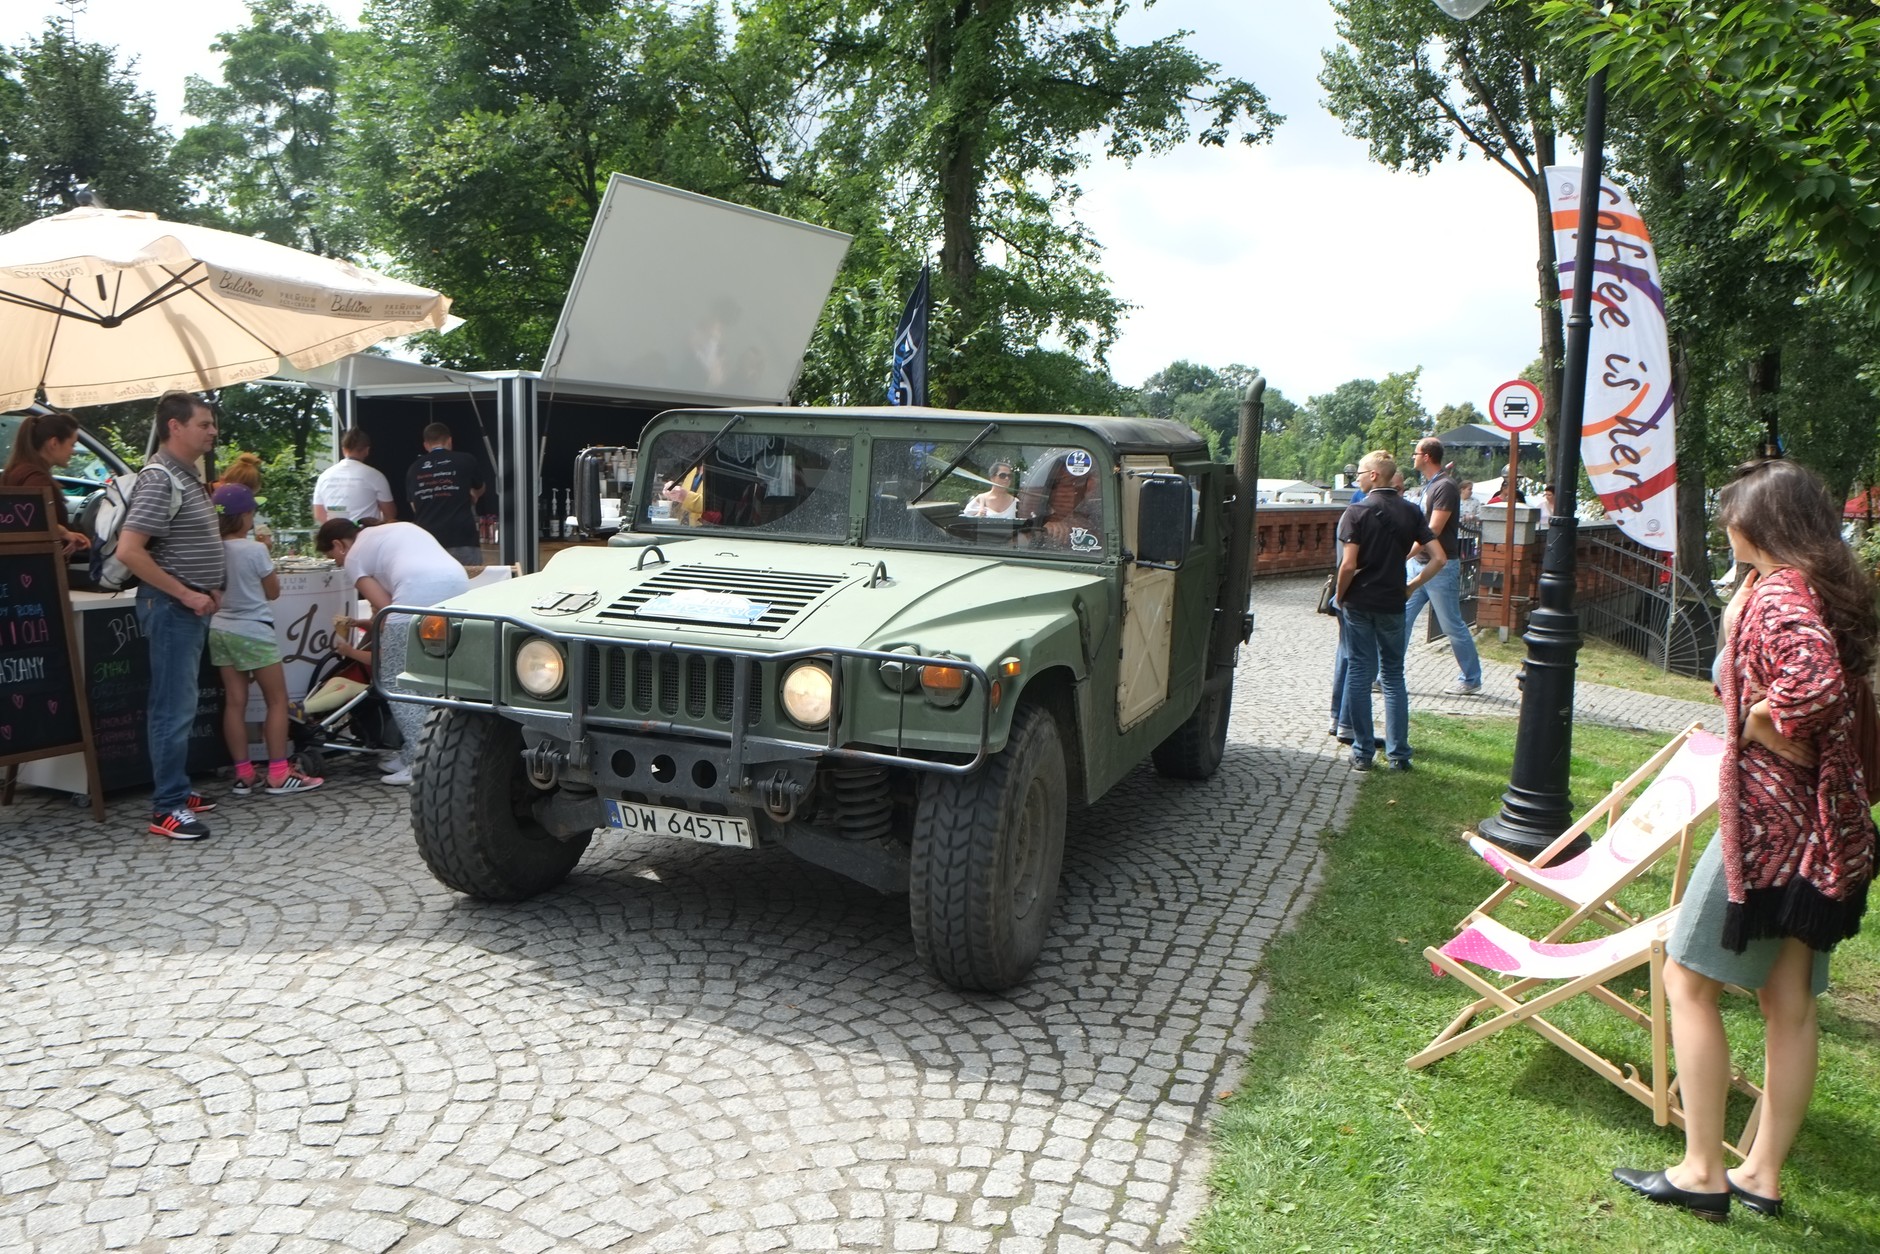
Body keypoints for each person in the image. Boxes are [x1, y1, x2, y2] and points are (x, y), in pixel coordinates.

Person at [1614, 458, 1878, 1222]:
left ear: (1759, 524)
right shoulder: (1825, 589)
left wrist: (1763, 720)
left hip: (1767, 824)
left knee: (1688, 981)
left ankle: (1701, 1171)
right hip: (1826, 828)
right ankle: (1760, 1176)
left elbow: (1816, 684)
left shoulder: (1777, 592)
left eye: (1733, 514)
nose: (1727, 526)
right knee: (1787, 1001)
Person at [113, 392, 226, 841]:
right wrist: (186, 592)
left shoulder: (186, 477)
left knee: (180, 704)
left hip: (189, 607)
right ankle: (168, 807)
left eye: (213, 423)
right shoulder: (160, 479)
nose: (213, 431)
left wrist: (211, 586)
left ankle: (176, 788)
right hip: (173, 609)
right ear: (174, 427)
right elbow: (130, 551)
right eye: (204, 423)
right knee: (172, 708)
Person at [315, 518, 469, 786]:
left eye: (333, 557)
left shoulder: (354, 557)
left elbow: (386, 609)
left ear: (339, 545)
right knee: (430, 678)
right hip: (458, 586)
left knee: (397, 681)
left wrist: (367, 647)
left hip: (417, 595)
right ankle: (425, 752)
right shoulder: (388, 531)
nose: (340, 564)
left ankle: (420, 762)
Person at [1333, 450, 1444, 772]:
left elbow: (1349, 564)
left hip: (1360, 602)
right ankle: (1399, 754)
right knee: (1394, 676)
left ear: (1373, 476)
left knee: (1359, 672)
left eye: (1359, 474)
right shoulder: (1410, 512)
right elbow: (1439, 557)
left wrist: (1340, 596)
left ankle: (1364, 752)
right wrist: (1412, 586)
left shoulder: (1355, 512)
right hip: (1394, 601)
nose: (1356, 479)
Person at [208, 483, 322, 798]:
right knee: (276, 700)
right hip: (253, 630)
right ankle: (278, 773)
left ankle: (244, 774)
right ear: (245, 515)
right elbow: (272, 591)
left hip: (220, 629)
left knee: (234, 702)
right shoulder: (255, 550)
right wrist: (266, 553)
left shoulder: (211, 546)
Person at [1405, 438, 1483, 696]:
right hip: (1420, 565)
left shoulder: (1445, 486)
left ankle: (1471, 678)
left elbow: (1433, 530)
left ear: (1427, 456)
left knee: (1451, 625)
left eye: (1415, 453)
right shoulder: (1430, 485)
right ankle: (1386, 675)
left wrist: (1405, 554)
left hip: (1441, 567)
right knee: (1400, 620)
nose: (1412, 457)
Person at [2, 409, 90, 556]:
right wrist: (65, 533)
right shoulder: (37, 479)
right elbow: (31, 520)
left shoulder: (16, 470)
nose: (73, 452)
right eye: (72, 444)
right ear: (54, 443)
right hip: (35, 568)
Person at [405, 422, 483, 564]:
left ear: (426, 445)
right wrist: (473, 495)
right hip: (462, 537)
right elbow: (480, 487)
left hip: (428, 541)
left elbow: (414, 506)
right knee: (471, 583)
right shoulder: (466, 460)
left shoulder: (414, 468)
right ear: (449, 440)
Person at [1019, 449, 1104, 551]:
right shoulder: (1037, 523)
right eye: (1055, 485)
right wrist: (1042, 531)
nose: (1060, 492)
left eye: (1072, 484)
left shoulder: (1099, 521)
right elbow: (1014, 544)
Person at [313, 427, 396, 525]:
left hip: (337, 536)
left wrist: (336, 529)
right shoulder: (375, 476)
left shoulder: (324, 476)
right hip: (366, 535)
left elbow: (319, 514)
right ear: (367, 450)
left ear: (343, 450)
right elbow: (390, 514)